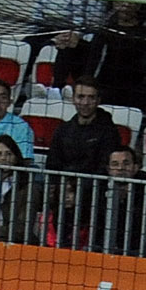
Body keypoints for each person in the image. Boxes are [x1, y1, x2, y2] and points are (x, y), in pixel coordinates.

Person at [45, 75, 122, 250]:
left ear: (98, 100)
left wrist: (78, 187)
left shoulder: (109, 131)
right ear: (73, 99)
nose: (85, 102)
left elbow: (106, 167)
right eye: (81, 97)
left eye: (90, 97)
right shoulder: (63, 130)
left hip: (95, 196)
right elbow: (53, 164)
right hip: (63, 194)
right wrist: (64, 187)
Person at [105, 146, 146, 257]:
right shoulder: (98, 187)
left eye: (126, 163)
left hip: (142, 251)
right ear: (109, 169)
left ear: (136, 167)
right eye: (115, 164)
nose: (120, 168)